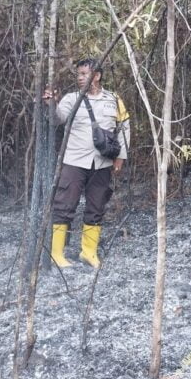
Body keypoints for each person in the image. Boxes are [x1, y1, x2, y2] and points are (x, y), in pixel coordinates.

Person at [43, 58, 130, 269]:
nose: (80, 78)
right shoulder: (72, 99)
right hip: (74, 161)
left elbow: (124, 127)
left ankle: (88, 253)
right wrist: (51, 104)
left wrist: (121, 157)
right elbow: (57, 119)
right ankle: (56, 253)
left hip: (102, 163)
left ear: (97, 75)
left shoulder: (113, 99)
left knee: (97, 206)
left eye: (84, 74)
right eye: (78, 74)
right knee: (65, 205)